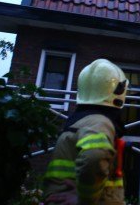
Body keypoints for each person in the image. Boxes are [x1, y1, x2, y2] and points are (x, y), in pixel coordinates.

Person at [44, 59, 128, 205]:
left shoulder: (81, 121)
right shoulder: (99, 122)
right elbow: (94, 156)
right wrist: (85, 199)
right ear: (118, 91)